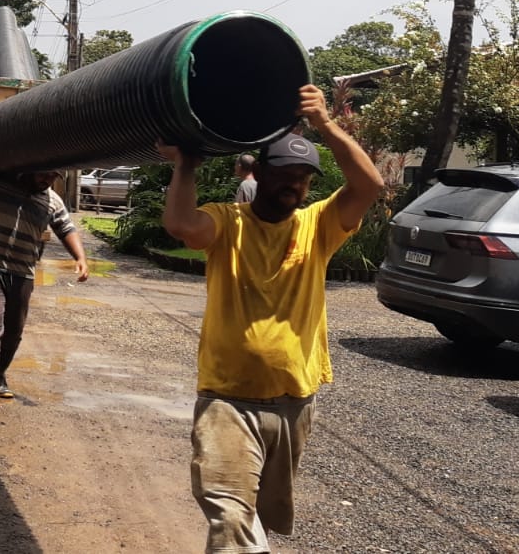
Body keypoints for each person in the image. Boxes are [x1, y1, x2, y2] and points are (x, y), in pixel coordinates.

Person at [157, 84, 381, 554]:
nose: (295, 185)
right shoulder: (228, 221)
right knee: (230, 514)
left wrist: (324, 123)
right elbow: (182, 226)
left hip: (295, 402)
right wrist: (186, 164)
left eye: (304, 177)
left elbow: (370, 187)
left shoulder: (318, 226)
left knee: (256, 515)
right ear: (258, 172)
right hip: (227, 400)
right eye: (285, 173)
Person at [0, 113, 90, 406]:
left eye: (53, 176)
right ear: (31, 167)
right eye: (44, 174)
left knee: (14, 330)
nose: (47, 180)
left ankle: (1, 375)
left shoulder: (51, 200)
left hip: (23, 273)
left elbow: (66, 229)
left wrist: (81, 258)